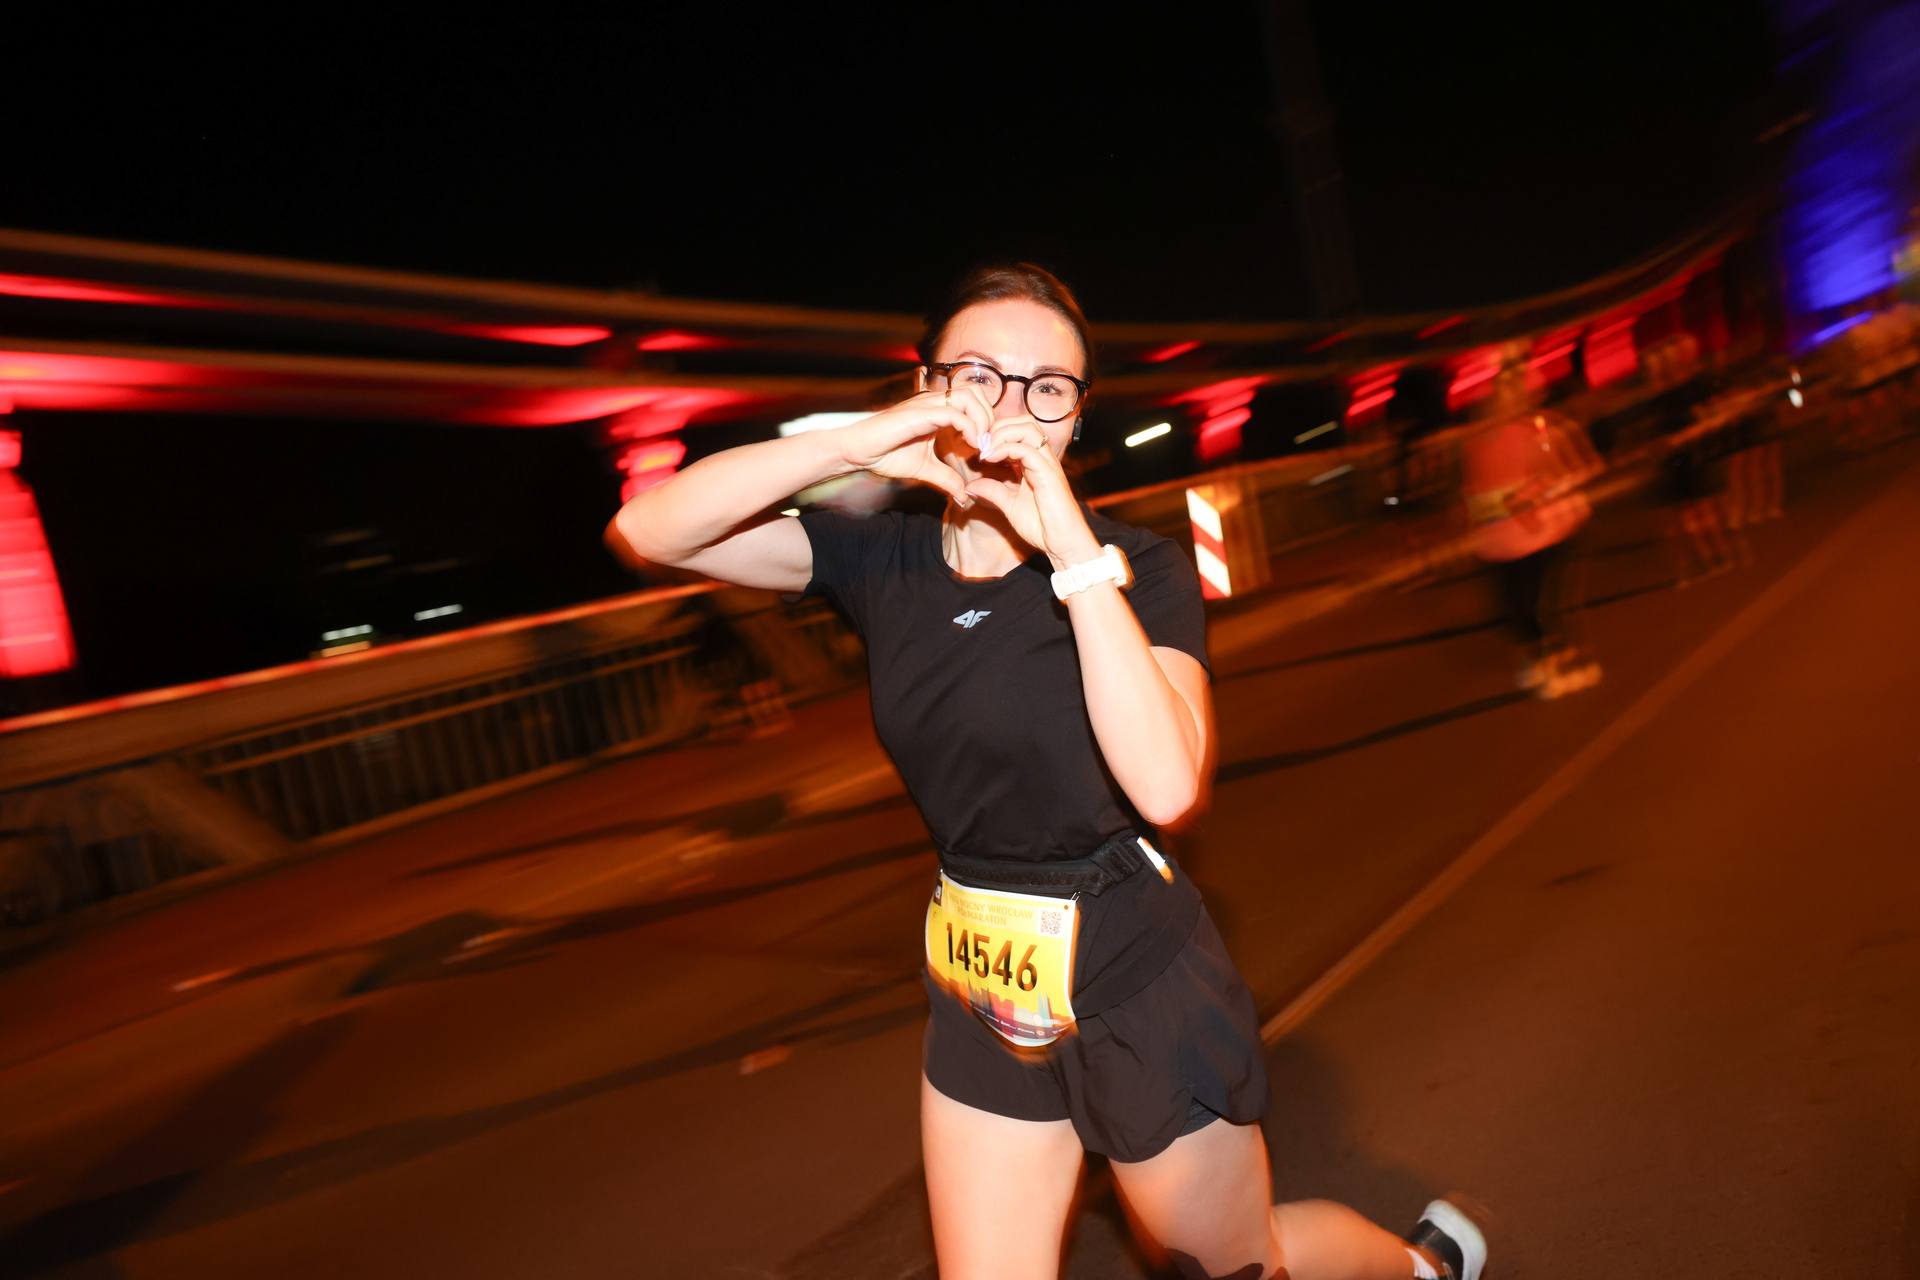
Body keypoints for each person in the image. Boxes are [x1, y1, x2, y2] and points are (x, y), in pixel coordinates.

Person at [605, 263, 1486, 1280]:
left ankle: (1419, 1269)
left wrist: (1067, 546)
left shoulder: (1136, 568)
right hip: (980, 979)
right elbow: (648, 530)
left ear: (1074, 416)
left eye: (1048, 388)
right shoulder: (881, 559)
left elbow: (1168, 787)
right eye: (977, 375)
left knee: (1244, 1265)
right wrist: (852, 444)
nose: (1010, 408)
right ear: (929, 386)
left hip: (1131, 971)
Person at [1461, 354, 1603, 700]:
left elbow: (1581, 469)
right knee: (1511, 609)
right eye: (1495, 396)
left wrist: (1536, 494)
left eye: (1511, 395)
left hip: (1549, 532)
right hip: (1500, 540)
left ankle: (1567, 662)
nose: (1500, 403)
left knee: (1545, 605)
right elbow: (1475, 489)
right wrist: (1475, 515)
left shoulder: (1543, 429)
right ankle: (1546, 657)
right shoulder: (1476, 441)